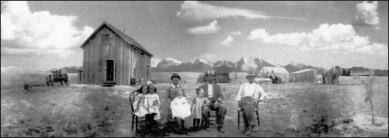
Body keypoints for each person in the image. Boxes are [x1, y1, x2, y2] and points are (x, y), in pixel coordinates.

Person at [236, 71, 266, 136]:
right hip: (244, 101)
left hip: (253, 102)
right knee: (247, 106)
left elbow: (264, 94)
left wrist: (259, 100)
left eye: (252, 77)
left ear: (254, 78)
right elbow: (238, 95)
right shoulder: (243, 85)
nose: (251, 79)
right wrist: (239, 101)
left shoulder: (257, 86)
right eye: (249, 77)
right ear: (247, 78)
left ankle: (247, 127)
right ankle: (253, 125)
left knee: (245, 110)